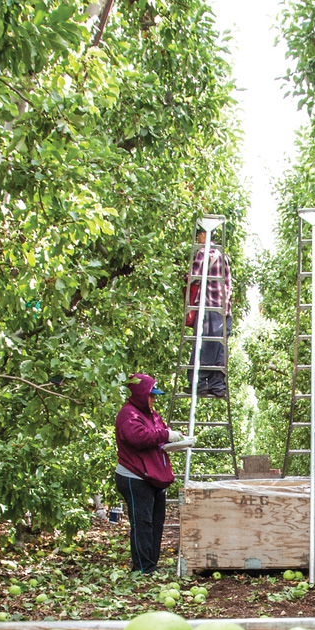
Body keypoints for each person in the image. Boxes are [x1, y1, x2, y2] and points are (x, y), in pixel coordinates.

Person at [115, 373, 184, 574]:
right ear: (140, 394)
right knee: (143, 523)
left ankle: (151, 565)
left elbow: (161, 431)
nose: (154, 400)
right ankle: (143, 568)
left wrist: (177, 439)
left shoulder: (152, 415)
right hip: (135, 477)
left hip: (153, 477)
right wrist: (165, 435)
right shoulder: (129, 414)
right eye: (151, 395)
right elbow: (137, 437)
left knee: (155, 522)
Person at [185, 226, 232, 398]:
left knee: (203, 344)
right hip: (224, 308)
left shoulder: (204, 253)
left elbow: (193, 276)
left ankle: (198, 382)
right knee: (219, 346)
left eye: (198, 236)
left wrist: (184, 276)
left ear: (204, 234)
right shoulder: (222, 254)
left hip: (209, 305)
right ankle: (217, 384)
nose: (198, 240)